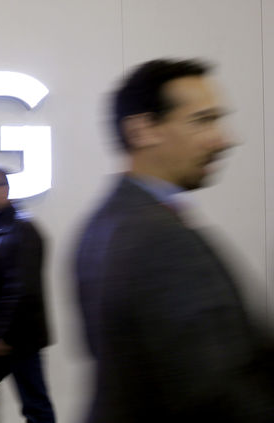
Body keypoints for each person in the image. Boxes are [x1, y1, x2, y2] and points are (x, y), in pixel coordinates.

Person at [75, 59, 274, 422]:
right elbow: (217, 393)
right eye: (203, 121)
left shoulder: (101, 225)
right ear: (141, 130)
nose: (224, 139)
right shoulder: (160, 238)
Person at [0, 168, 55, 423]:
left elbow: (19, 287)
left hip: (19, 337)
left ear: (7, 189)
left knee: (35, 403)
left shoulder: (22, 230)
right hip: (4, 336)